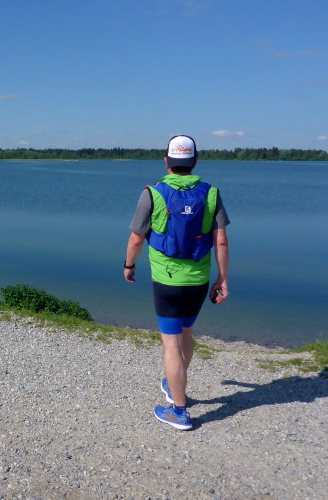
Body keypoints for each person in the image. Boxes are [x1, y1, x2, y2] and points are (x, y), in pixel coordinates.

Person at [123, 135, 230, 430]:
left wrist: (129, 265)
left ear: (166, 161)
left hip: (166, 281)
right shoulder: (211, 194)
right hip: (198, 281)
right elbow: (221, 241)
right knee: (186, 334)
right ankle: (174, 386)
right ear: (195, 161)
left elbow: (136, 239)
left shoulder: (152, 193)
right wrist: (222, 279)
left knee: (170, 344)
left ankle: (179, 411)